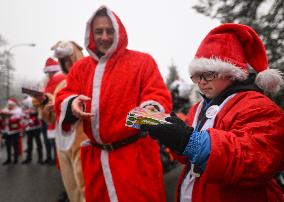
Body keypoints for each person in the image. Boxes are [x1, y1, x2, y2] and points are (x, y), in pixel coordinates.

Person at [141, 23, 284, 201]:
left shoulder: (257, 105)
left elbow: (255, 159)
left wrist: (188, 140)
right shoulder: (198, 108)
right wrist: (171, 135)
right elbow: (187, 155)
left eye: (207, 74)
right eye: (196, 76)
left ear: (232, 73)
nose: (200, 82)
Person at [55, 6, 172, 202]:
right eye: (99, 31)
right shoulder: (80, 68)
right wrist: (72, 104)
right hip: (95, 162)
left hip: (135, 158)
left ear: (119, 32)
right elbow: (65, 95)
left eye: (110, 31)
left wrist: (149, 113)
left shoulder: (142, 61)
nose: (104, 37)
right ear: (91, 34)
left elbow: (159, 95)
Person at [40, 40, 87, 202]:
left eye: (69, 59)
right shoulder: (60, 84)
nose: (67, 64)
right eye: (63, 60)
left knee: (86, 188)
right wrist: (46, 109)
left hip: (82, 140)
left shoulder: (89, 77)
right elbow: (52, 118)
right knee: (71, 188)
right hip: (63, 142)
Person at [35, 58, 66, 165]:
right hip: (50, 115)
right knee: (53, 142)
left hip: (54, 115)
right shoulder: (50, 80)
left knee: (57, 143)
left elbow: (50, 97)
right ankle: (54, 159)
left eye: (48, 72)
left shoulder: (57, 79)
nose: (47, 75)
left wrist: (40, 99)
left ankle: (56, 160)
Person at [21, 96, 43, 164]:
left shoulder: (36, 108)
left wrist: (31, 120)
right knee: (29, 143)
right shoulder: (25, 109)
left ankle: (40, 158)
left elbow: (38, 117)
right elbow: (24, 117)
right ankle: (28, 158)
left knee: (38, 142)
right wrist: (24, 122)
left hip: (36, 127)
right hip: (28, 128)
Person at [1, 98, 23, 165]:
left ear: (14, 105)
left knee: (15, 145)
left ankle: (15, 159)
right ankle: (9, 159)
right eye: (9, 105)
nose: (10, 106)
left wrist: (10, 120)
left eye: (11, 105)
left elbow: (19, 119)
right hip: (7, 131)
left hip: (15, 130)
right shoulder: (5, 110)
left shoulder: (18, 110)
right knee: (8, 145)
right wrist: (3, 121)